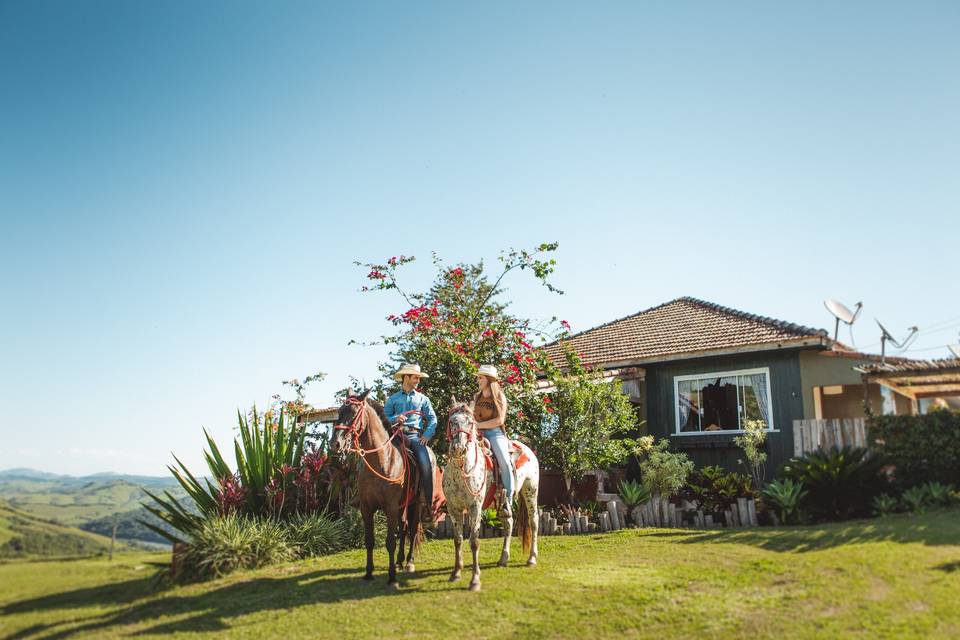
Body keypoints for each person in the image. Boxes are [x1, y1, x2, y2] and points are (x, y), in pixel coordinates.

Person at [384, 363, 438, 520]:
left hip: (414, 437)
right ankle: (364, 496)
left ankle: (427, 503)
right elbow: (384, 419)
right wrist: (395, 418)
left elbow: (432, 418)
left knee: (425, 462)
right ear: (406, 377)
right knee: (374, 454)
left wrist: (427, 435)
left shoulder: (423, 399)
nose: (418, 381)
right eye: (416, 377)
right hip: (395, 435)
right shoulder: (393, 399)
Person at [473, 364, 515, 518]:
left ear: (489, 379)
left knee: (504, 461)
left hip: (495, 434)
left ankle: (508, 499)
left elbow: (499, 420)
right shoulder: (476, 397)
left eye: (481, 377)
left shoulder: (499, 396)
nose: (478, 380)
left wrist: (479, 425)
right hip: (477, 433)